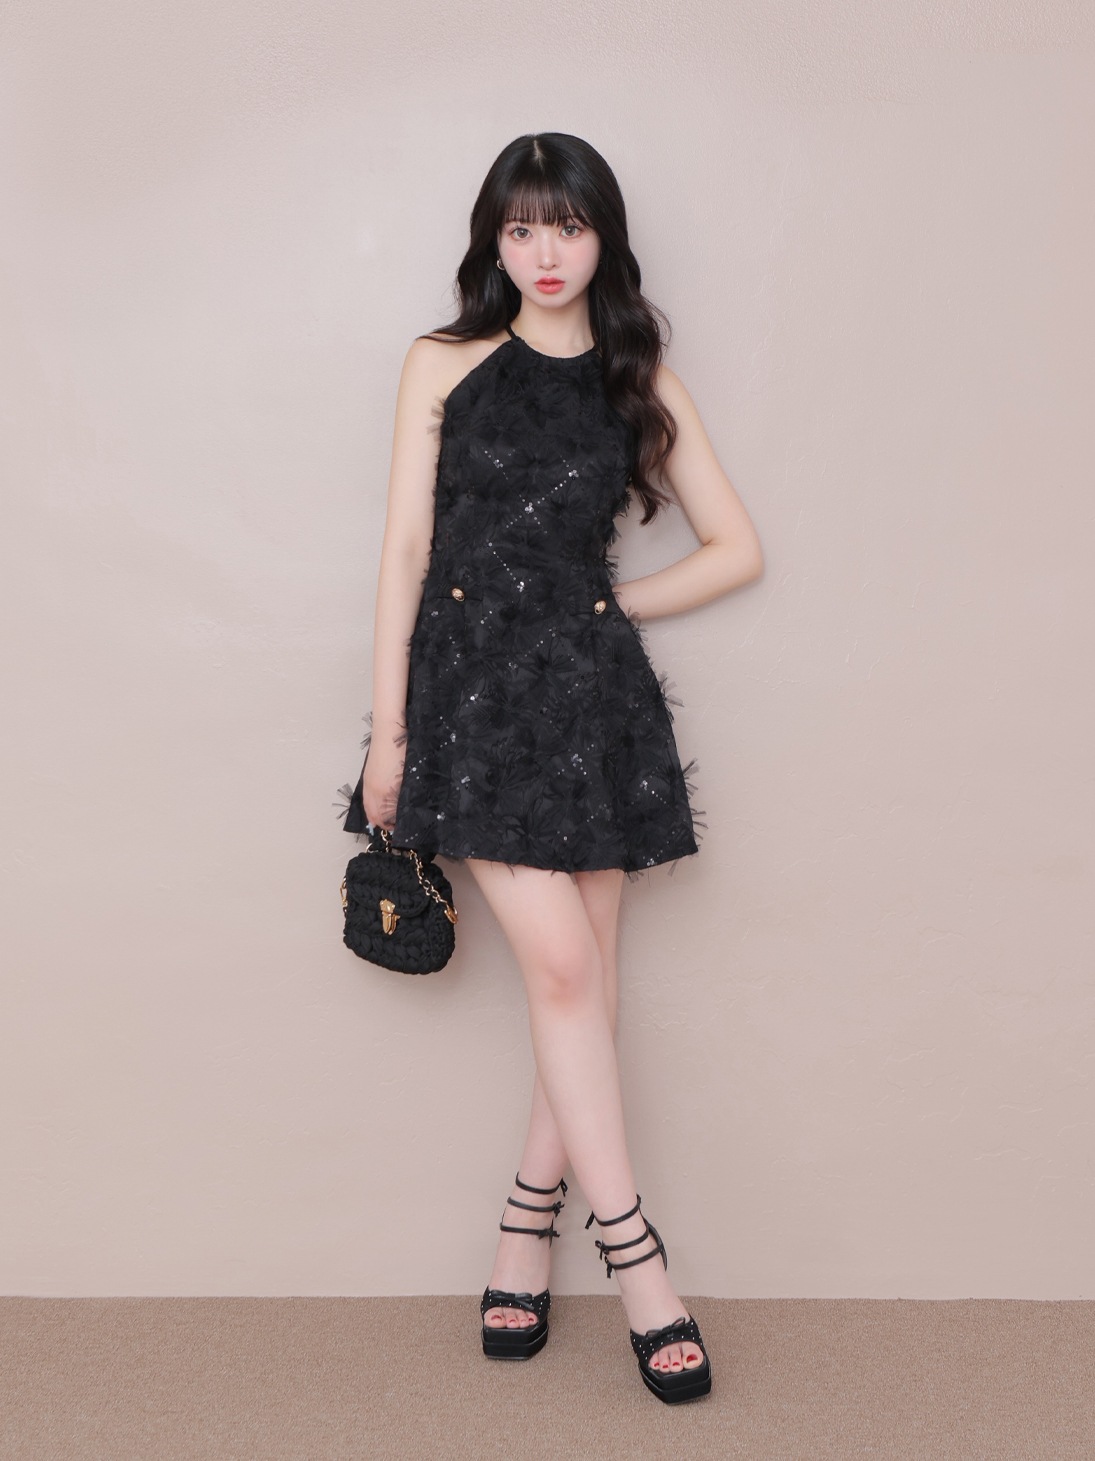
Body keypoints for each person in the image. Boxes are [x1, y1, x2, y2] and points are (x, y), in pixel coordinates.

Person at [340, 133, 763, 1404]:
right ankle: (638, 1262)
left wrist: (607, 608)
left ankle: (526, 1225)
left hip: (592, 703)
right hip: (466, 698)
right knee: (569, 973)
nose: (543, 252)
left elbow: (737, 548)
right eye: (520, 228)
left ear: (603, 238)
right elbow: (403, 553)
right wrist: (388, 733)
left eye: (566, 227)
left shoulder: (640, 379)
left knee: (586, 984)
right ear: (494, 240)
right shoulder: (443, 362)